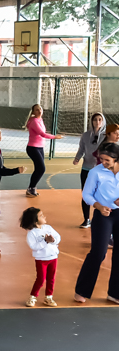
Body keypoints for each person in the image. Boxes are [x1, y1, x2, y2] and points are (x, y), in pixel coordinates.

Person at [74, 142, 119, 304]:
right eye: (101, 159)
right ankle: (82, 290)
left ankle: (115, 293)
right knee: (98, 252)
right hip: (103, 214)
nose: (103, 162)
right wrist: (99, 206)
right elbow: (87, 195)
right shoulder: (95, 172)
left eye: (107, 160)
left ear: (116, 159)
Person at [20, 207, 60, 308]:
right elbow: (34, 246)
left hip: (53, 257)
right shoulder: (31, 233)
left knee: (51, 278)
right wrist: (45, 241)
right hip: (42, 259)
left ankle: (49, 297)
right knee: (41, 279)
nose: (44, 217)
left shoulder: (48, 228)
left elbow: (58, 237)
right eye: (41, 216)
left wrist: (53, 240)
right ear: (35, 220)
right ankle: (33, 297)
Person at [74, 112, 106, 228]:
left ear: (103, 121)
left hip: (100, 170)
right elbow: (81, 149)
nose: (97, 122)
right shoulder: (86, 135)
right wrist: (77, 158)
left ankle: (102, 220)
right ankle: (86, 219)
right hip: (86, 168)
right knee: (85, 194)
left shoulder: (106, 136)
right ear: (92, 122)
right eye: (95, 120)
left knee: (101, 195)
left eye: (100, 120)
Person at [25, 103, 64, 197]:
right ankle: (31, 188)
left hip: (39, 148)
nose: (39, 111)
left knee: (39, 168)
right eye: (37, 110)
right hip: (33, 148)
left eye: (40, 109)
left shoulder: (40, 120)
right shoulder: (34, 121)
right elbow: (42, 134)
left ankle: (31, 188)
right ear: (33, 112)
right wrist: (55, 137)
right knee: (41, 168)